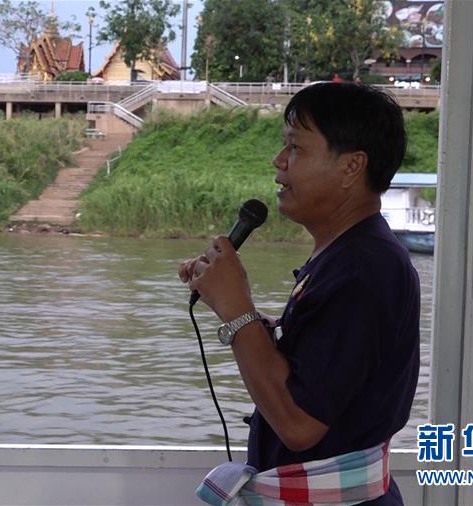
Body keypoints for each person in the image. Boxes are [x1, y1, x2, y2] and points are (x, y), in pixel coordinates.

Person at [179, 82, 420, 505]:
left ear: (351, 167)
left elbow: (300, 424)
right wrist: (236, 306)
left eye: (295, 147)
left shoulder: (364, 268)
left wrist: (238, 310)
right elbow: (319, 365)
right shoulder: (345, 256)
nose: (279, 161)